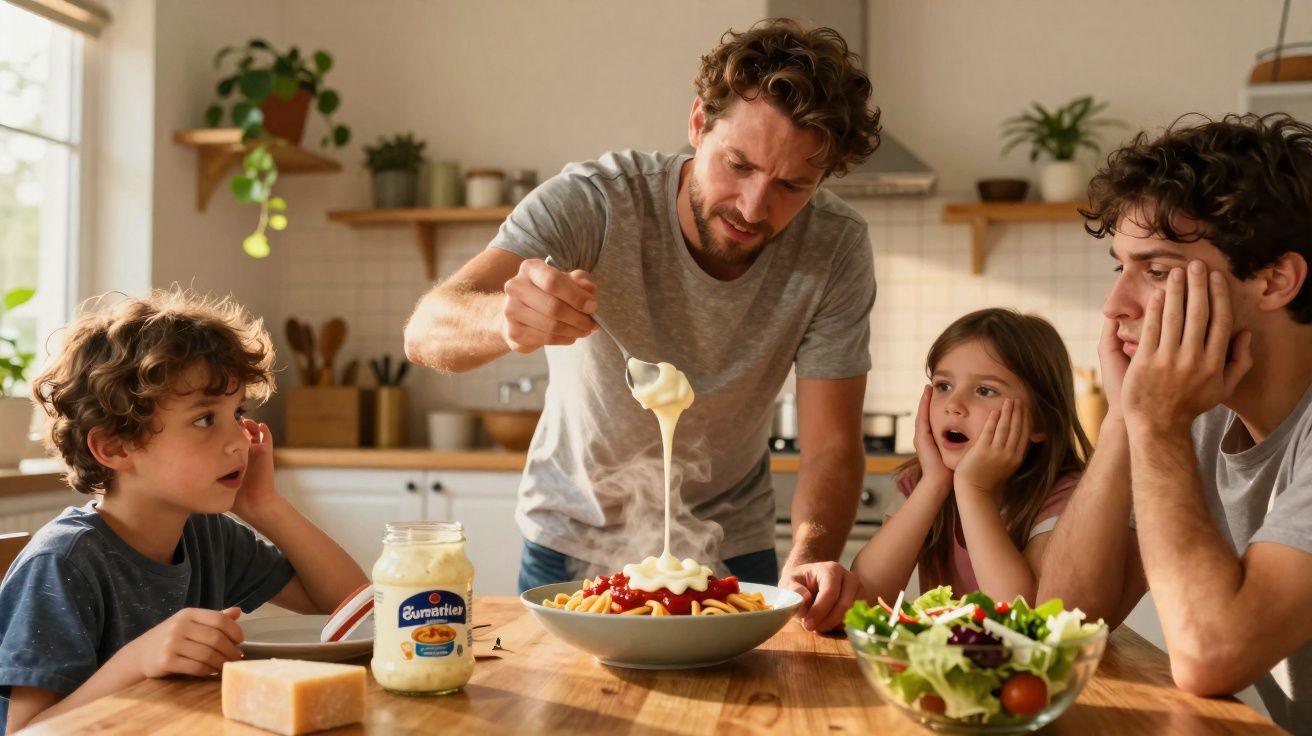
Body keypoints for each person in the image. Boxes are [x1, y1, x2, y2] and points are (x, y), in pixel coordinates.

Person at [403, 18, 881, 592]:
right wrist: (504, 319)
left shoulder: (836, 245)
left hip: (733, 544)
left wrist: (807, 563)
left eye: (792, 186)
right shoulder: (595, 202)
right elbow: (427, 331)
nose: (754, 207)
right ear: (699, 123)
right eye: (740, 165)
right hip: (572, 540)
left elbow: (831, 448)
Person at [1036, 113, 1312, 734]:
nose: (1116, 305)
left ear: (1275, 280)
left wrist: (1155, 424)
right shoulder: (1199, 408)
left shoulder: (1181, 416)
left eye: (1156, 271)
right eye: (1121, 268)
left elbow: (1211, 656)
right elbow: (1062, 617)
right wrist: (1125, 417)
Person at [0, 289, 368, 732]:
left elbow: (354, 614)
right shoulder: (64, 563)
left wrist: (265, 506)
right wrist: (138, 660)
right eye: (204, 419)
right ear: (115, 447)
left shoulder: (208, 535)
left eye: (238, 413)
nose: (238, 440)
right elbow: (26, 731)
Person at [783, 309, 1091, 631]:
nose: (953, 404)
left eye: (985, 390)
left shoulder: (1065, 498)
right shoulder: (921, 483)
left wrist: (974, 490)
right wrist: (934, 483)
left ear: (1040, 421)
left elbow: (1020, 617)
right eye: (943, 385)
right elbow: (867, 598)